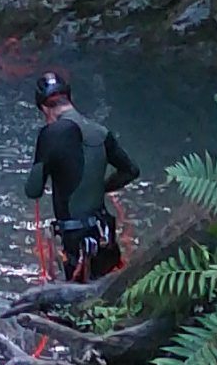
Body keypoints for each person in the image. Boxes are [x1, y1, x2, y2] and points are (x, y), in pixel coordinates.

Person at [26, 69, 140, 282]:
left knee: (78, 295)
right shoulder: (101, 131)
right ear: (69, 98)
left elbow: (33, 190)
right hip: (104, 231)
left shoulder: (49, 134)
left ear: (44, 108)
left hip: (75, 240)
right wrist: (101, 186)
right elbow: (131, 171)